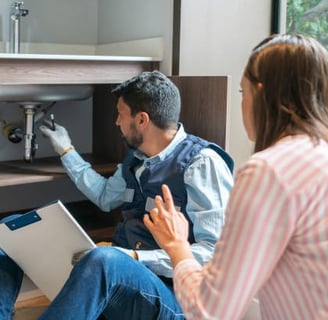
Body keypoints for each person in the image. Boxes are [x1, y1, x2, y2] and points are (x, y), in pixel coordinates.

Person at [16, 70, 234, 319]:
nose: (116, 122)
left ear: (142, 120)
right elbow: (105, 196)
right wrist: (66, 149)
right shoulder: (136, 159)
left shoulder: (201, 163)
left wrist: (133, 257)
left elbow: (215, 255)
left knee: (103, 259)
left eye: (120, 114)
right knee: (12, 233)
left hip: (174, 298)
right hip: (125, 283)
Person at [144, 34, 328, 319]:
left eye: (242, 93)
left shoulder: (268, 170)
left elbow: (210, 311)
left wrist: (177, 246)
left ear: (261, 92)